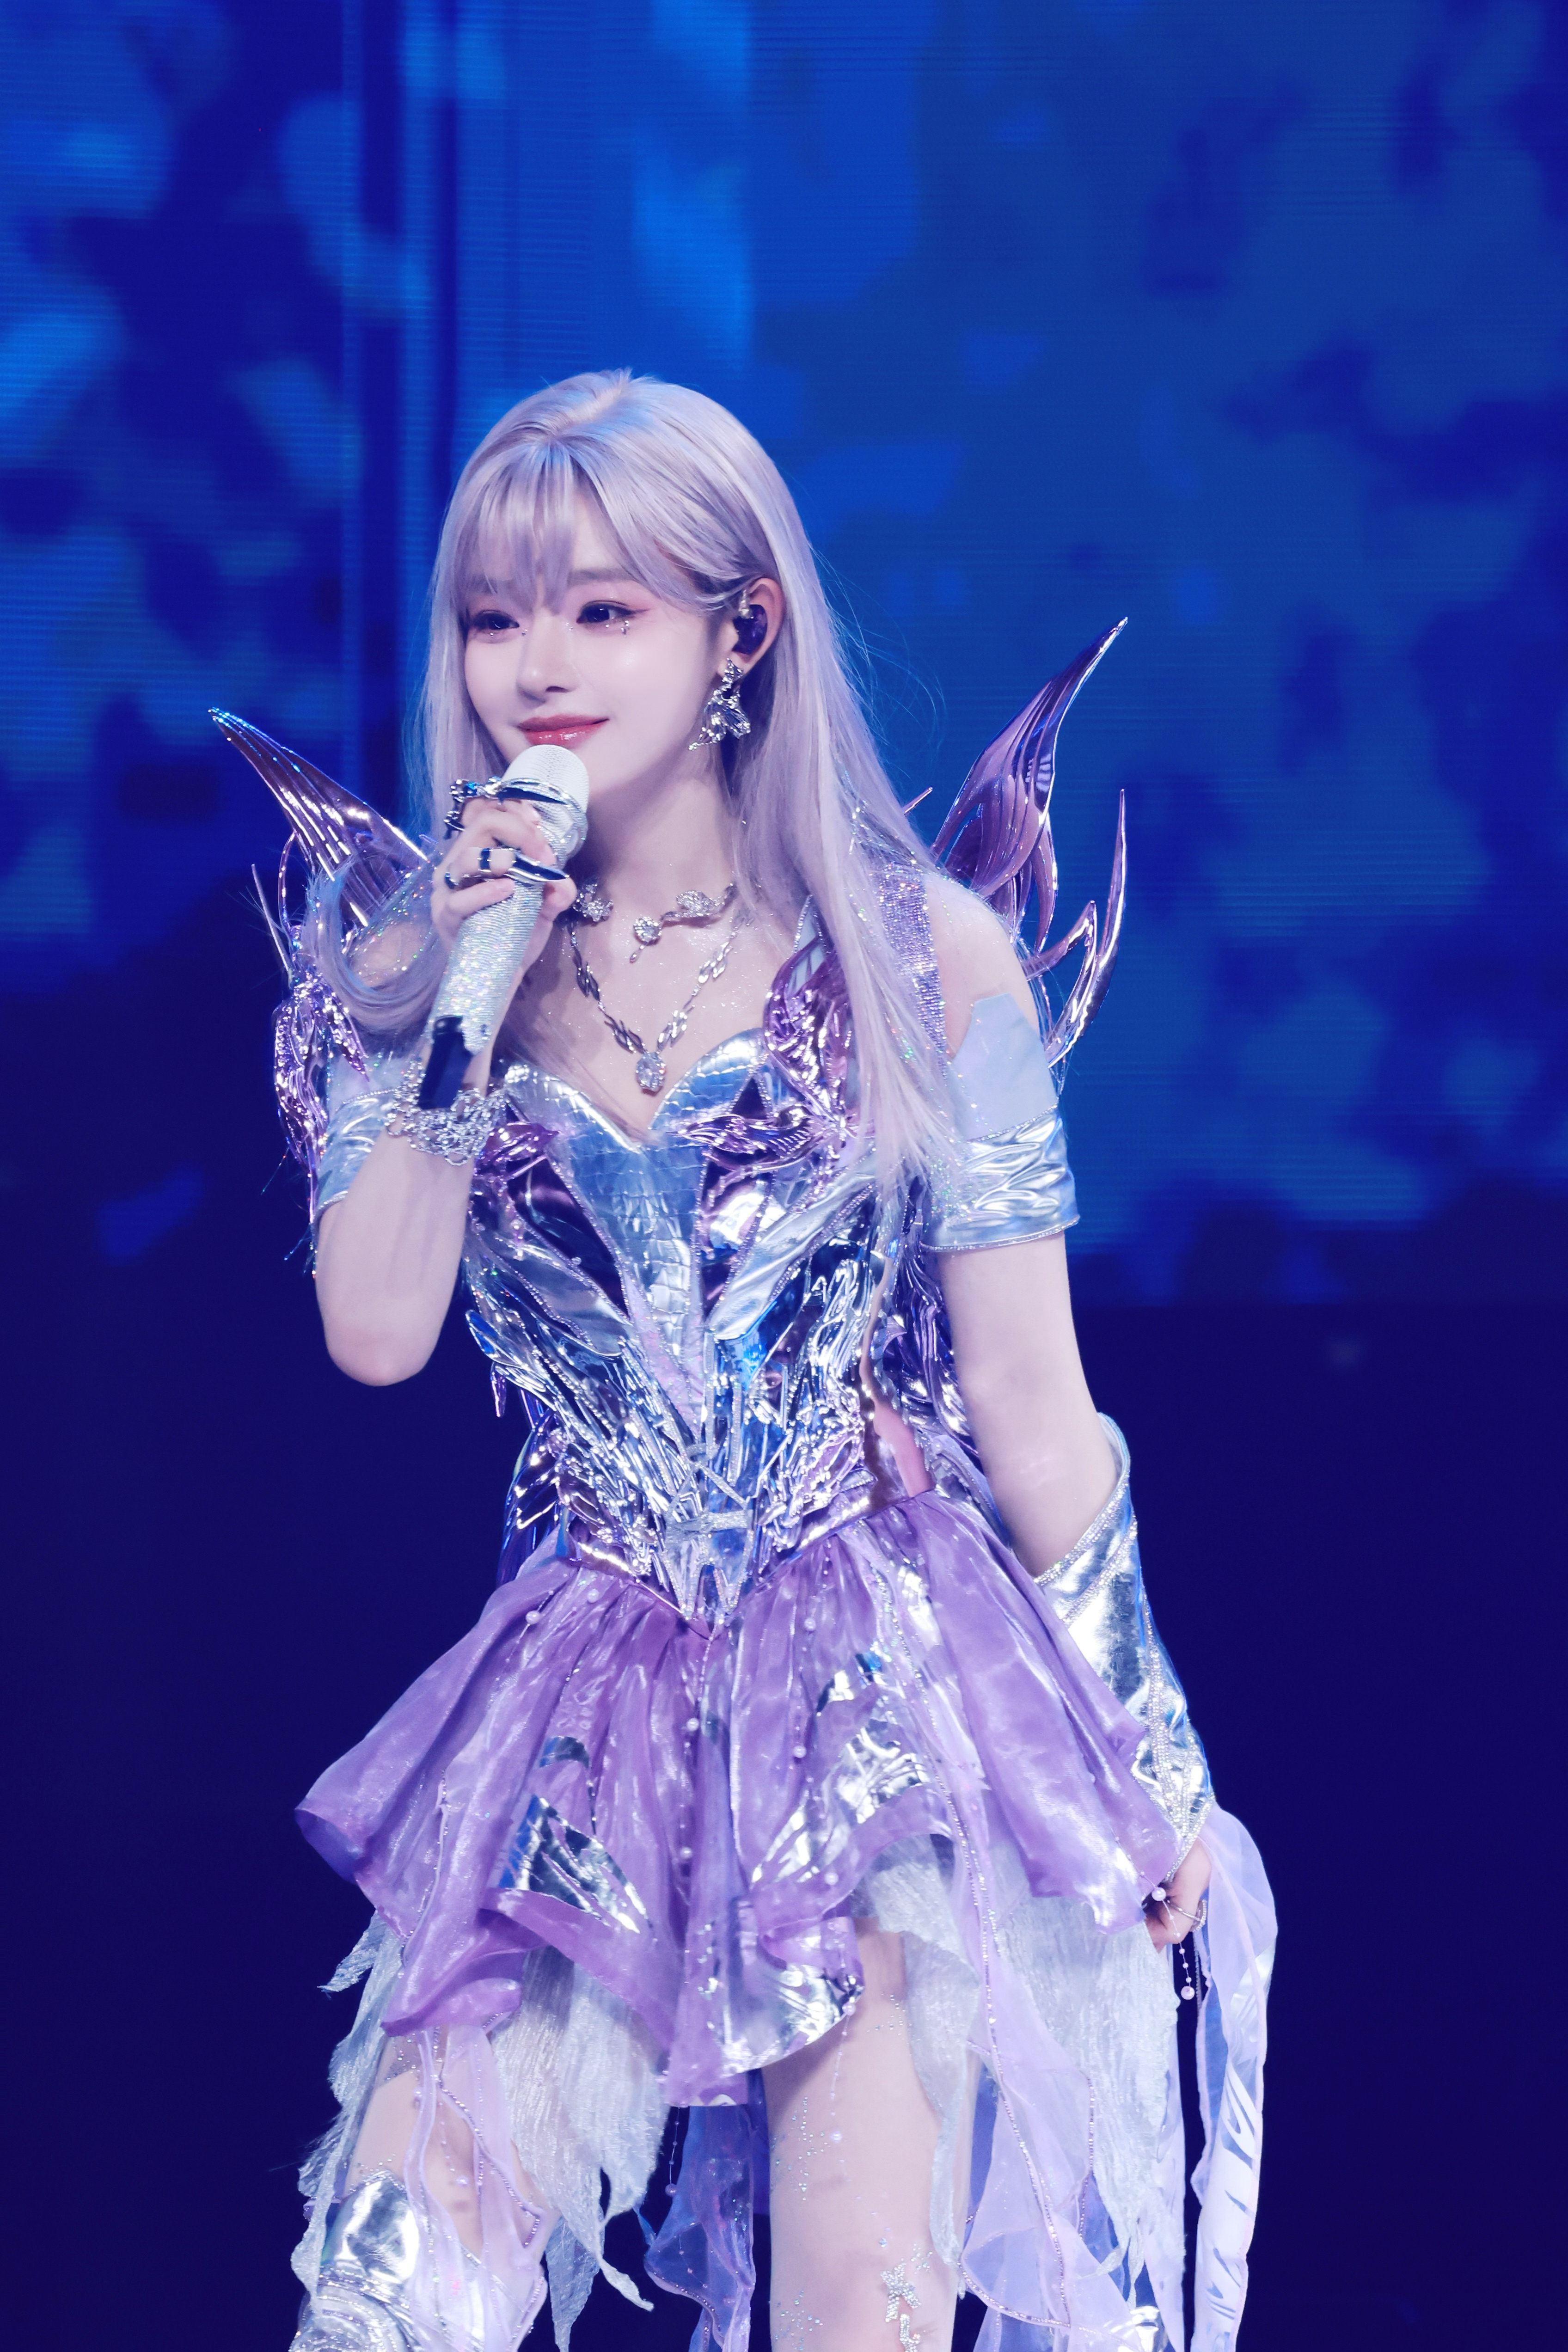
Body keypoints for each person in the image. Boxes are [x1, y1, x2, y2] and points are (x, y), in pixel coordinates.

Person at [235, 369, 1274, 2352]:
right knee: (389, 2291)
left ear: (741, 632)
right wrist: (453, 982)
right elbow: (374, 1332)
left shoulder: (918, 952)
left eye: (602, 609)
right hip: (585, 1685)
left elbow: (1028, 1401)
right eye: (495, 615)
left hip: (872, 1678)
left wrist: (1146, 1754)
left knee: (861, 2303)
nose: (538, 664)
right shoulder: (416, 960)